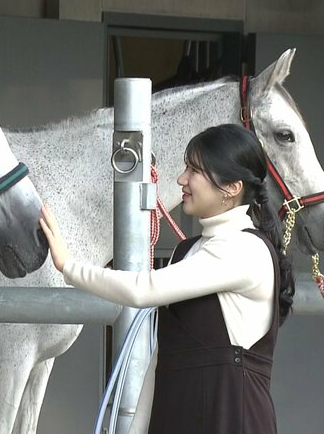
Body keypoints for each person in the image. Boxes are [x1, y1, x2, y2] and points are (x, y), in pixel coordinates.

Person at [39, 123, 295, 433]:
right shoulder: (188, 250)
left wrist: (68, 266)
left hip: (229, 420)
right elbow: (162, 359)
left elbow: (143, 290)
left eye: (194, 170)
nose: (181, 179)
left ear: (231, 187)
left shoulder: (245, 248)